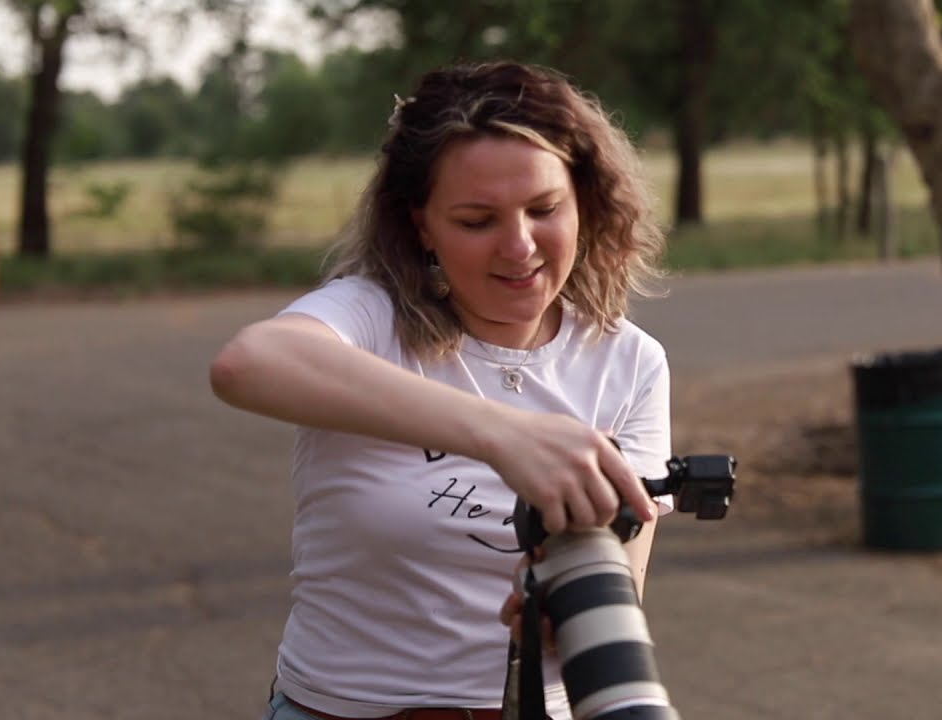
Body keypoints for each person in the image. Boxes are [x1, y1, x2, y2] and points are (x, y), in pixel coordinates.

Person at [209, 60, 673, 720]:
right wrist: (503, 434)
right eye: (477, 220)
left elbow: (620, 588)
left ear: (586, 202)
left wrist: (558, 618)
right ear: (421, 224)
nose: (519, 247)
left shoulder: (630, 363)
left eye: (544, 209)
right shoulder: (368, 319)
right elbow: (246, 363)